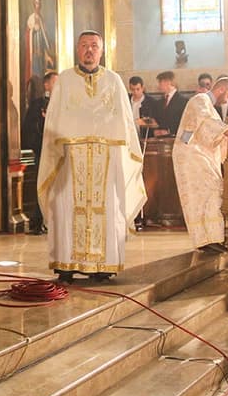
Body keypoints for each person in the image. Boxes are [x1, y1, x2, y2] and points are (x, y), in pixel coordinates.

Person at [39, 31, 146, 283]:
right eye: (85, 46)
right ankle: (66, 265)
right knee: (67, 206)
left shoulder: (114, 81)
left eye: (94, 46)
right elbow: (53, 122)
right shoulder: (64, 80)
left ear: (102, 51)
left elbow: (126, 125)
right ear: (77, 50)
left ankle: (102, 266)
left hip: (106, 158)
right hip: (70, 159)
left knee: (106, 206)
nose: (89, 50)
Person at [172, 77, 228, 249]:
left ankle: (211, 238)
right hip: (191, 155)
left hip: (199, 155)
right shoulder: (200, 99)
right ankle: (207, 239)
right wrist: (226, 130)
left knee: (209, 193)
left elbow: (208, 132)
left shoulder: (211, 107)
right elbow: (203, 123)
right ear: (222, 89)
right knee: (209, 192)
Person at [22, 70, 58, 233]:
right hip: (43, 151)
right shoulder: (38, 104)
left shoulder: (64, 103)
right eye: (54, 82)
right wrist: (43, 120)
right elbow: (29, 128)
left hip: (60, 152)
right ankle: (38, 221)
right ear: (46, 84)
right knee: (42, 184)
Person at [142, 70, 187, 136]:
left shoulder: (183, 101)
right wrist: (155, 130)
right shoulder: (159, 102)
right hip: (159, 141)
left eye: (160, 82)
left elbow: (185, 123)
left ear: (168, 82)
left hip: (175, 140)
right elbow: (157, 121)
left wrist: (170, 131)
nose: (159, 85)